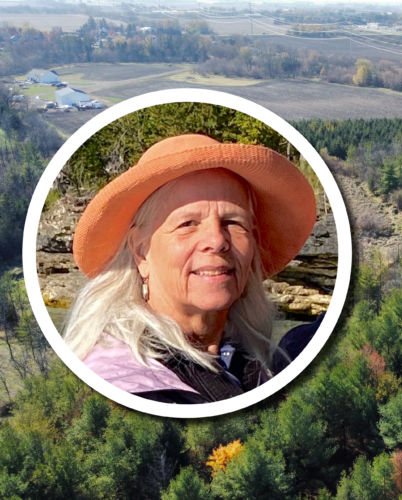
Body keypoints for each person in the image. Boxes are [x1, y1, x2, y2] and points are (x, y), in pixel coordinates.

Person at [62, 133, 317, 403]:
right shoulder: (126, 389)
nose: (217, 241)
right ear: (140, 251)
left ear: (253, 241)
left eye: (233, 222)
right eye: (188, 224)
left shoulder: (253, 364)